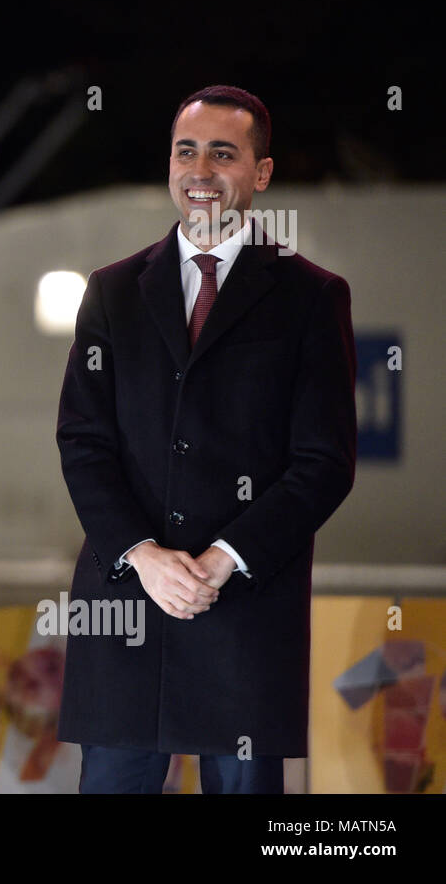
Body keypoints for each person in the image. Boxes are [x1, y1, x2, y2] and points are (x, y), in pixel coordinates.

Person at [55, 86, 357, 793]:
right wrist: (144, 555)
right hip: (126, 607)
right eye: (186, 151)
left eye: (223, 153)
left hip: (245, 619)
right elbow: (83, 441)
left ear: (262, 173)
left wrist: (222, 560)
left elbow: (324, 462)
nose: (200, 170)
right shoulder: (112, 291)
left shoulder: (311, 297)